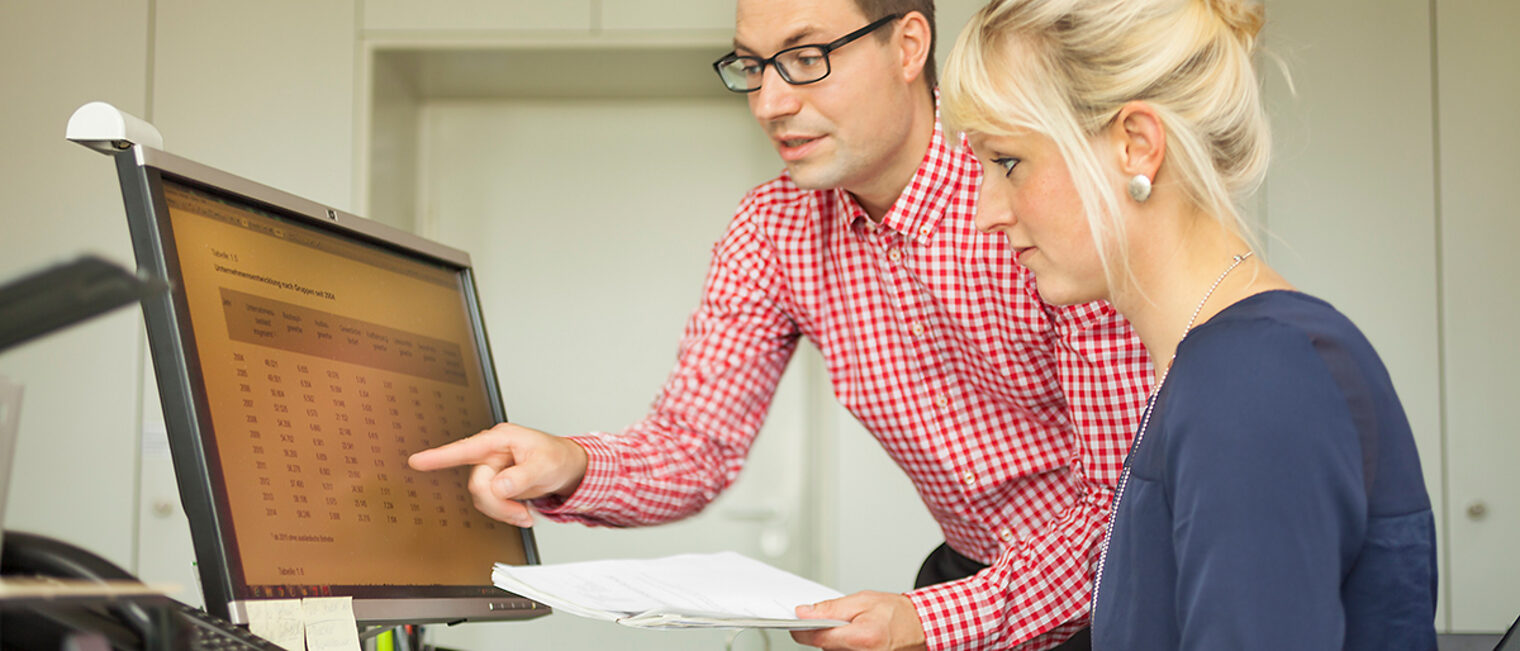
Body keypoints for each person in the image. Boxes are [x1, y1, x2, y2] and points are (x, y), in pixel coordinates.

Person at [408, 0, 1152, 648]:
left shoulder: (1031, 196)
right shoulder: (774, 229)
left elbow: (1125, 511)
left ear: (908, 46)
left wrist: (931, 621)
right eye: (751, 66)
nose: (768, 103)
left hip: (1120, 590)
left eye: (804, 58)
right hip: (966, 581)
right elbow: (693, 446)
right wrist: (569, 460)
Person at [940, 0, 1439, 648]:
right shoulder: (1213, 368)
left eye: (1007, 162)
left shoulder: (1253, 383)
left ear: (1136, 146)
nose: (985, 212)